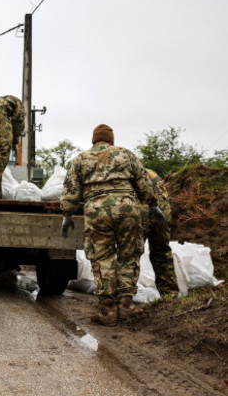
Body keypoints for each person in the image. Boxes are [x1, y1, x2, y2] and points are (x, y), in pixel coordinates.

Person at [60, 124, 166, 326]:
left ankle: (107, 311)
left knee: (102, 258)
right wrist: (153, 206)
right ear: (111, 140)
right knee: (129, 255)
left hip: (97, 211)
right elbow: (144, 183)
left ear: (94, 140)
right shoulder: (127, 155)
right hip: (127, 209)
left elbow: (71, 190)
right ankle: (126, 306)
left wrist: (67, 215)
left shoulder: (81, 159)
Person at [139, 168, 178, 296]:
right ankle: (169, 295)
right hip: (163, 211)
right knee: (162, 252)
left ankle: (125, 298)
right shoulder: (152, 173)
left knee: (131, 255)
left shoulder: (129, 173)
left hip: (144, 210)